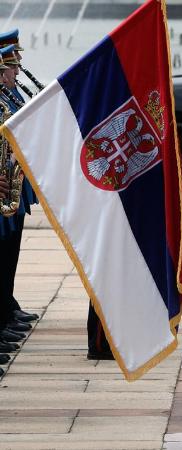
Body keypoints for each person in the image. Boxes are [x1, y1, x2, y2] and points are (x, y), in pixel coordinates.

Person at [0, 44, 38, 349]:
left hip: (11, 183)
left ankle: (5, 310)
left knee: (8, 252)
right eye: (11, 67)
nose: (16, 71)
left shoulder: (10, 97)